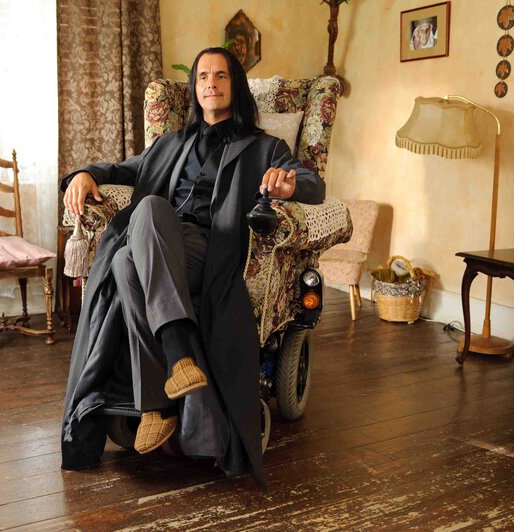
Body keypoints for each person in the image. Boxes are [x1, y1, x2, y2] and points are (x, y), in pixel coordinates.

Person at [60, 47, 325, 484]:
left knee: (147, 212)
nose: (211, 83)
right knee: (124, 259)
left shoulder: (264, 146)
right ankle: (166, 390)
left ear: (234, 86)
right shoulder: (169, 144)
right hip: (156, 248)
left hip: (210, 249)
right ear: (194, 88)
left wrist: (289, 184)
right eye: (203, 76)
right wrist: (84, 175)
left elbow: (313, 183)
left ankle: (167, 378)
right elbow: (118, 169)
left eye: (221, 76)